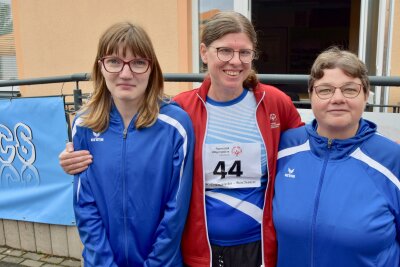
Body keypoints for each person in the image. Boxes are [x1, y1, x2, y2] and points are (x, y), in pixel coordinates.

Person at [60, 12, 303, 267]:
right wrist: (69, 158)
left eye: (244, 52)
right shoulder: (183, 109)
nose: (235, 61)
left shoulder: (275, 103)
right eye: (224, 51)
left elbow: (306, 147)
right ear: (204, 52)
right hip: (200, 250)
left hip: (257, 248)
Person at [69, 22, 194, 266]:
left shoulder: (175, 125)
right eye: (114, 61)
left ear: (152, 69)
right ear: (100, 67)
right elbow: (84, 205)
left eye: (138, 62)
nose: (126, 74)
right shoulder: (84, 124)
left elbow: (176, 210)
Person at [273, 47, 400, 267]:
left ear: (366, 95)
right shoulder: (283, 148)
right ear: (311, 95)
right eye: (325, 90)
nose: (337, 98)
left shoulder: (391, 159)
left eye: (350, 89)